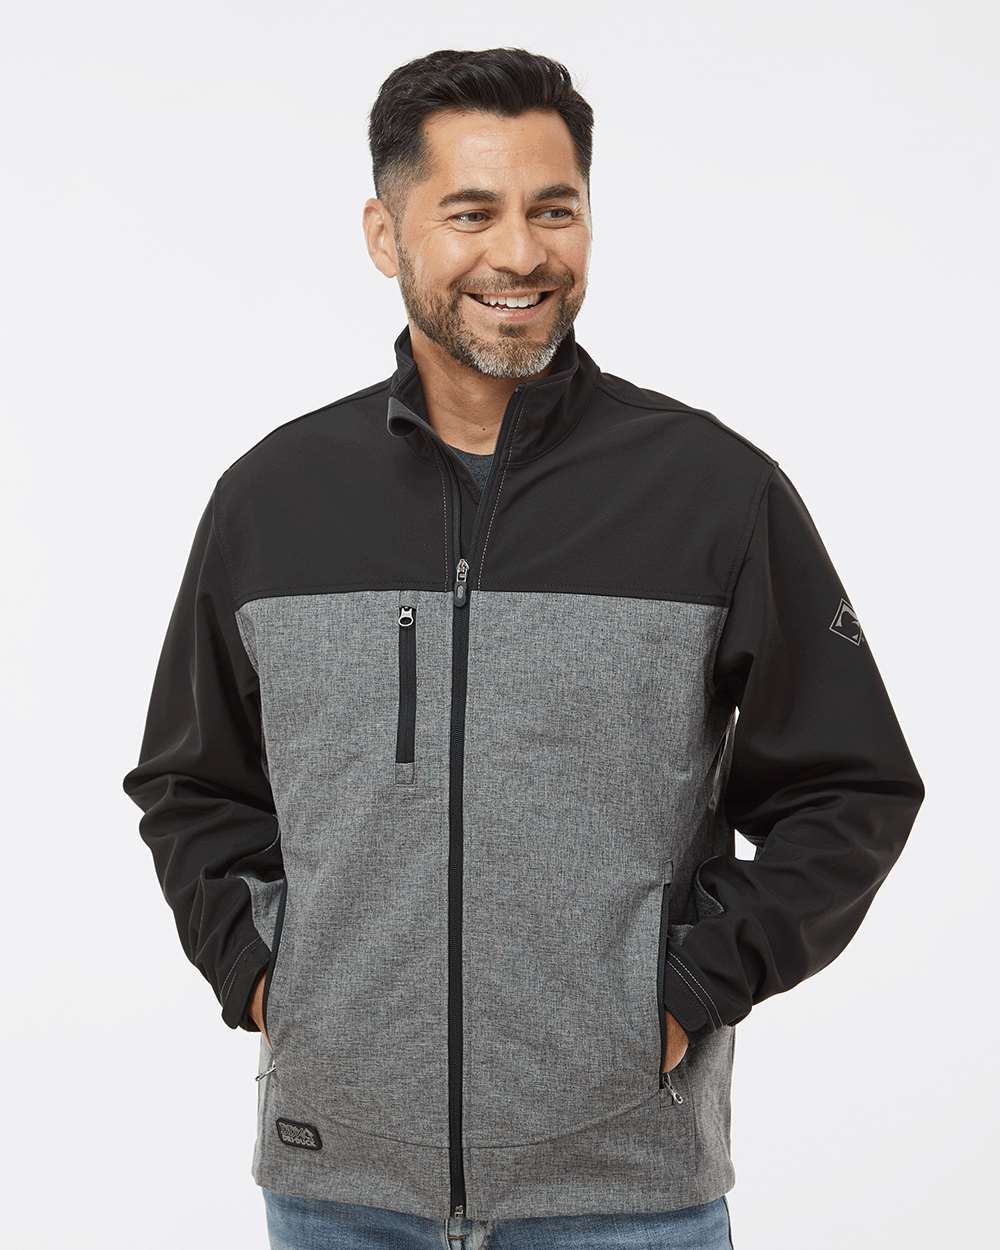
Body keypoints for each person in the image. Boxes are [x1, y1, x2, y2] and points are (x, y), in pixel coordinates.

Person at [122, 46, 925, 1250]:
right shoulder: (272, 501)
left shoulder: (712, 493)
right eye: (470, 212)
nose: (520, 253)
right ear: (385, 234)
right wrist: (264, 976)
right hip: (338, 1186)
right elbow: (193, 782)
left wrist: (689, 987)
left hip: (623, 1188)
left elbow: (849, 787)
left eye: (554, 209)